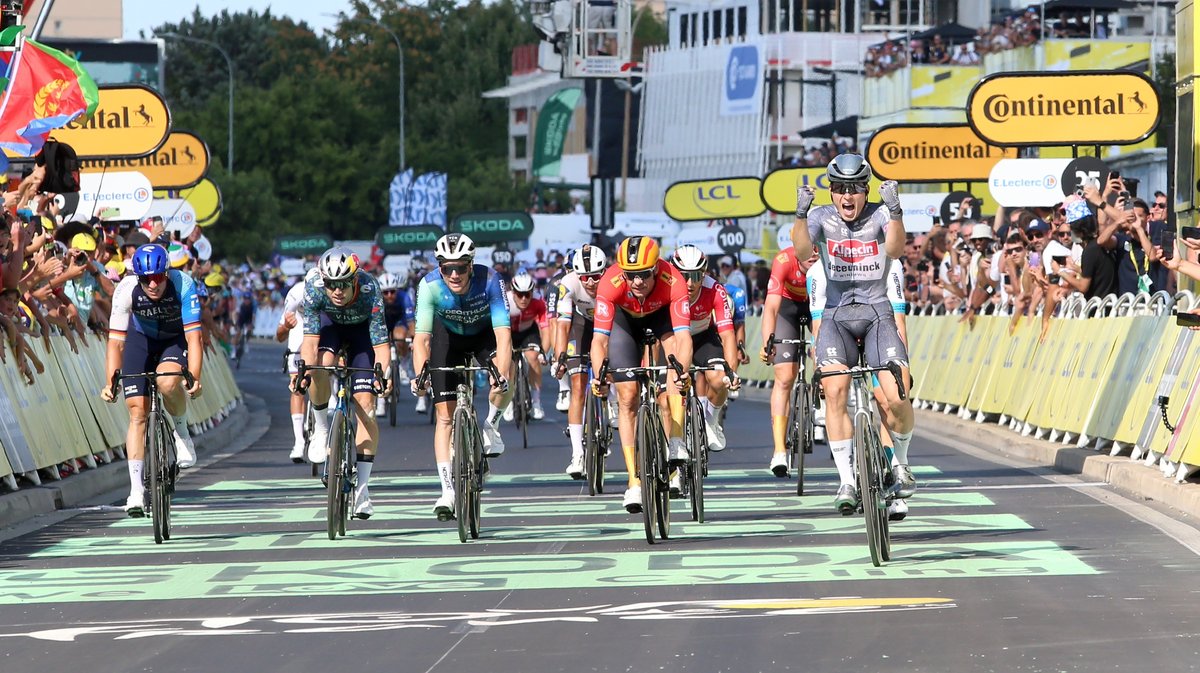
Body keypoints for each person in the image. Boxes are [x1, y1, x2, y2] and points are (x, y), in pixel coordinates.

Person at [790, 153, 915, 514]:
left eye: (855, 189)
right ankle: (846, 478)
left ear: (866, 190)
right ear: (831, 191)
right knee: (835, 390)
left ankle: (900, 463)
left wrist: (895, 213)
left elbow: (894, 249)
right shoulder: (820, 217)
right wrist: (800, 215)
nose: (847, 197)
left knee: (895, 398)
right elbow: (802, 251)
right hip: (836, 315)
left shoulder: (878, 215)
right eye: (840, 188)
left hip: (878, 313)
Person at [410, 234, 513, 521]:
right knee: (445, 418)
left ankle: (491, 424)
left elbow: (503, 335)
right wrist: (421, 375)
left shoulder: (491, 280)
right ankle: (447, 491)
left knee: (507, 370)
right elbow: (422, 339)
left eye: (461, 267)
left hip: (483, 335)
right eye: (447, 268)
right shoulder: (429, 286)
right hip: (448, 339)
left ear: (471, 265)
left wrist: (501, 377)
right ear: (439, 268)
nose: (454, 274)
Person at [590, 236, 693, 513]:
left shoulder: (674, 281)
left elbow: (683, 338)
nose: (637, 282)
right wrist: (599, 376)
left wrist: (682, 371)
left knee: (674, 367)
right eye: (631, 276)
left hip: (661, 318)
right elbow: (599, 341)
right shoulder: (610, 284)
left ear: (656, 270)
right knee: (627, 396)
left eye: (644, 275)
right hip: (625, 324)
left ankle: (675, 441)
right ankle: (634, 480)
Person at [100, 244, 204, 517]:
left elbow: (194, 338)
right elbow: (115, 343)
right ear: (138, 277)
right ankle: (136, 491)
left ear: (167, 273)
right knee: (136, 411)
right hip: (141, 341)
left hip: (174, 339)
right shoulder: (126, 289)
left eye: (159, 277)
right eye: (147, 279)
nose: (153, 284)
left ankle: (181, 432)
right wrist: (111, 382)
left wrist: (195, 377)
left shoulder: (183, 284)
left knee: (167, 382)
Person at [300, 248, 392, 520]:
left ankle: (362, 490)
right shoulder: (314, 288)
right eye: (331, 284)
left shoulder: (369, 288)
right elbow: (310, 341)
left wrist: (381, 375)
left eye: (343, 284)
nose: (337, 291)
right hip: (331, 328)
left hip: (363, 333)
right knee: (318, 364)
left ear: (355, 280)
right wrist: (305, 371)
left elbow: (381, 345)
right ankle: (321, 426)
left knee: (365, 403)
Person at [670, 245, 740, 451]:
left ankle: (712, 420)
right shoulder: (666, 287)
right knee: (665, 390)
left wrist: (731, 372)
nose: (690, 283)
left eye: (696, 275)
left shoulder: (716, 290)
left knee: (719, 379)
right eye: (684, 276)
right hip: (672, 338)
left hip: (702, 337)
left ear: (705, 274)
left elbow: (727, 335)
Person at [758, 243, 816, 477]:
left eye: (816, 248)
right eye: (808, 249)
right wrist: (768, 342)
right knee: (784, 378)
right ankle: (779, 450)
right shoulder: (783, 261)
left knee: (826, 355)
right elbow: (771, 308)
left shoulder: (827, 259)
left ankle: (821, 391)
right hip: (787, 307)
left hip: (817, 306)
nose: (813, 254)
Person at [555, 245, 606, 478]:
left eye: (596, 276)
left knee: (612, 369)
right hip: (581, 324)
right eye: (585, 277)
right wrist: (560, 357)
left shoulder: (614, 281)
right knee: (577, 386)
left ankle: (612, 403)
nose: (591, 283)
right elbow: (563, 324)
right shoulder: (568, 283)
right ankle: (577, 454)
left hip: (610, 324)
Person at [502, 272, 551, 422]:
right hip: (507, 332)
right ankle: (508, 400)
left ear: (532, 292)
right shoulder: (505, 301)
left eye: (527, 295)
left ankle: (536, 401)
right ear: (513, 292)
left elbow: (546, 329)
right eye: (520, 294)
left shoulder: (538, 301)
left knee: (533, 357)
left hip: (528, 332)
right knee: (507, 362)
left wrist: (544, 353)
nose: (523, 298)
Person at [275, 276, 308, 463]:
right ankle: (299, 442)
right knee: (297, 388)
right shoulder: (295, 293)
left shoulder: (331, 293)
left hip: (325, 331)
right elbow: (279, 336)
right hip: (299, 334)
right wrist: (286, 327)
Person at [375, 271, 415, 417]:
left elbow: (411, 323)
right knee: (382, 351)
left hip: (400, 321)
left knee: (400, 336)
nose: (390, 295)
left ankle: (404, 361)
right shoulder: (376, 299)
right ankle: (380, 402)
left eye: (392, 291)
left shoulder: (405, 298)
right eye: (385, 293)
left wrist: (413, 340)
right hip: (383, 322)